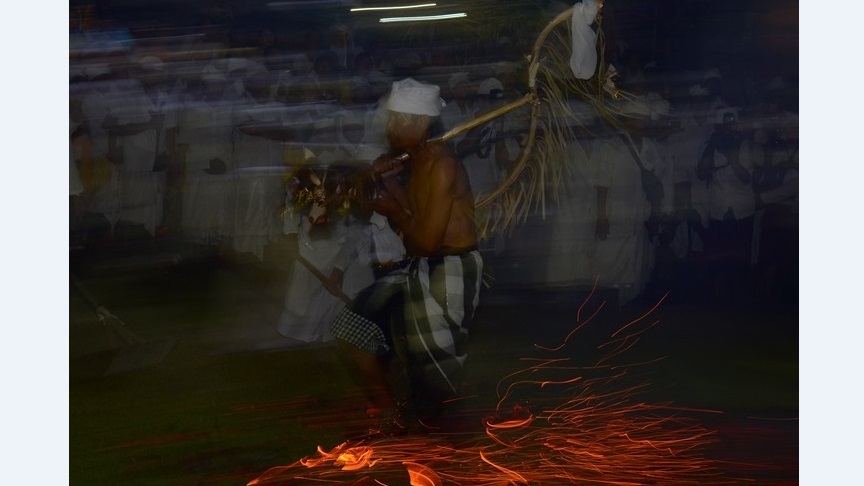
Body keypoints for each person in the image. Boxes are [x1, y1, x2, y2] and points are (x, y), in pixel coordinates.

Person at [330, 78, 483, 435]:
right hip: (421, 265)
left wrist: (390, 208)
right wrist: (390, 187)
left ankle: (449, 443)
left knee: (433, 372)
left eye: (400, 119)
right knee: (352, 327)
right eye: (391, 118)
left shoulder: (443, 165)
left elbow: (426, 241)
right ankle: (391, 414)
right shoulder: (418, 160)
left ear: (422, 122)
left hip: (450, 270)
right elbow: (414, 223)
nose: (391, 127)